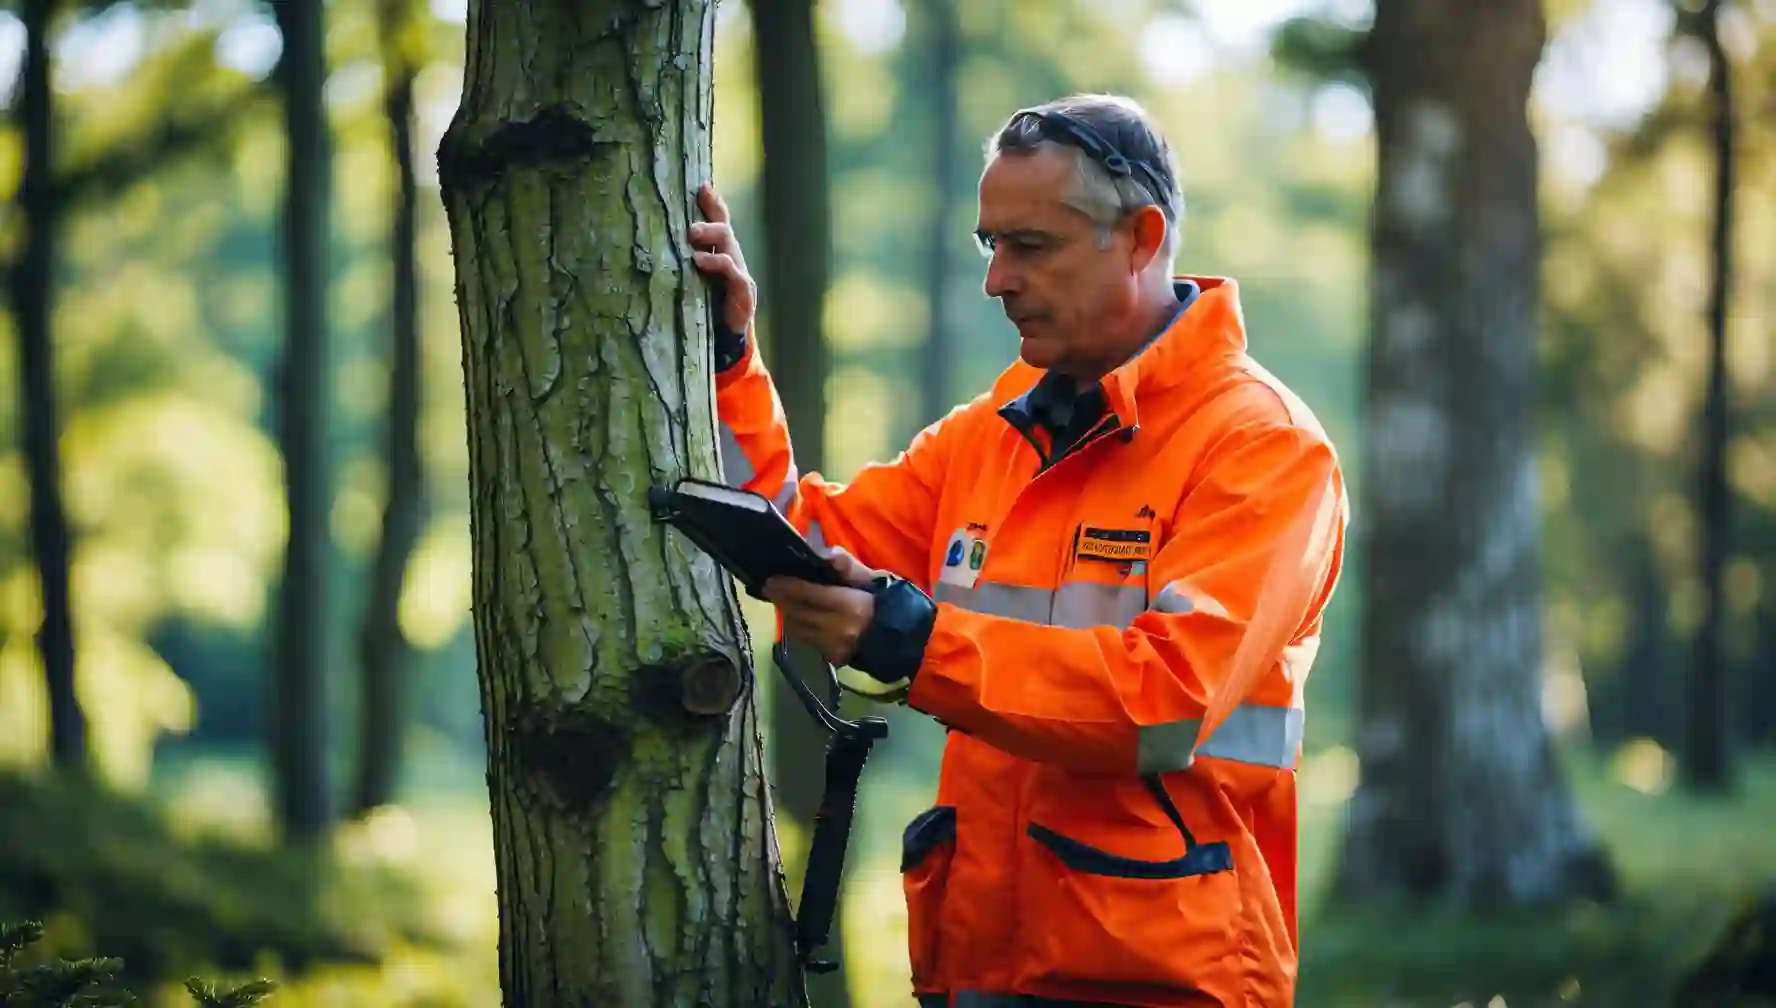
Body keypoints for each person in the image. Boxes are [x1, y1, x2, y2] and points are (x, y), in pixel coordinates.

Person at [689, 93, 1348, 1008]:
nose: (997, 280)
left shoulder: (1260, 447)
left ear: (1143, 237)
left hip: (1160, 982)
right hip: (978, 967)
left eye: (1030, 246)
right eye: (989, 245)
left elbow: (1163, 704)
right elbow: (802, 538)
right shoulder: (993, 434)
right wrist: (721, 359)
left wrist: (916, 645)